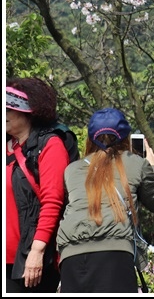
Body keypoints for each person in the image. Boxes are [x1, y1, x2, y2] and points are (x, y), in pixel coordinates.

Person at [57, 107, 154, 292]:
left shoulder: (72, 170)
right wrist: (153, 166)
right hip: (115, 254)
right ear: (126, 138)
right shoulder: (136, 163)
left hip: (72, 257)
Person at [6, 79, 76, 292]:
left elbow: (52, 201)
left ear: (29, 113)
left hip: (27, 261)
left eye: (8, 108)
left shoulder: (50, 146)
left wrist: (36, 251)